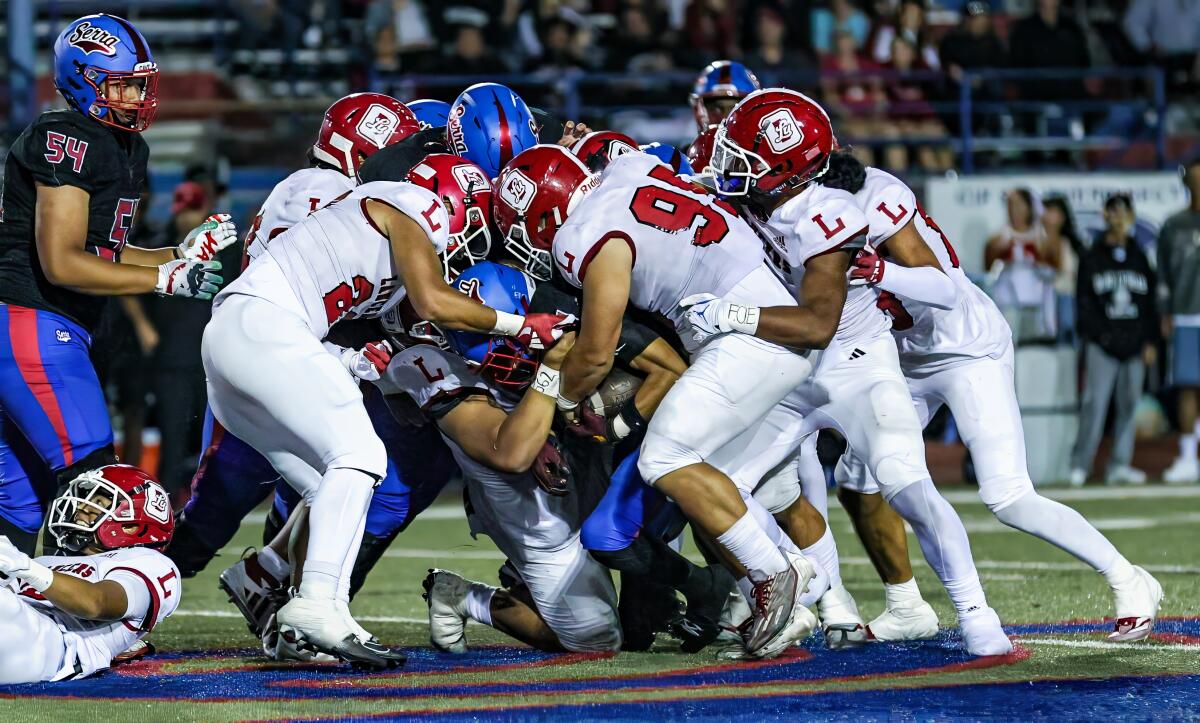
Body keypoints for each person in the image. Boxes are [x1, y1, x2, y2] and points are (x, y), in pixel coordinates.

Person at [201, 165, 571, 666]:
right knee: (361, 457)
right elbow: (435, 301)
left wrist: (357, 363)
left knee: (322, 484)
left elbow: (333, 315)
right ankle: (313, 604)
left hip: (242, 336)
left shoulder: (373, 235)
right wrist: (521, 326)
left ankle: (310, 605)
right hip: (261, 325)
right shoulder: (406, 202)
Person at [692, 88, 1010, 656]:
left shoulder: (827, 212)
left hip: (855, 363)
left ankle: (976, 612)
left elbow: (816, 322)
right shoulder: (751, 200)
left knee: (907, 487)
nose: (729, 167)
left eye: (745, 157)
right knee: (718, 488)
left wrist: (731, 314)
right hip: (789, 371)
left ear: (786, 170)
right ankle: (793, 579)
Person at [494, 144, 820, 660]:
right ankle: (783, 586)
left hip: (746, 335)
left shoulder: (582, 237)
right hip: (771, 318)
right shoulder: (629, 168)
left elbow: (597, 352)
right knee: (717, 482)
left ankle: (774, 573)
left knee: (665, 459)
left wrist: (562, 396)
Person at [822, 151, 1163, 643]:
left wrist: (880, 272)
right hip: (899, 356)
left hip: (967, 349)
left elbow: (944, 291)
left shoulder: (877, 199)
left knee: (1008, 496)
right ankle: (907, 605)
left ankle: (1127, 577)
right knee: (856, 478)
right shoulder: (808, 207)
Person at [0, 14, 236, 554]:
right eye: (122, 83)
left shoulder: (125, 147)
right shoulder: (64, 136)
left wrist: (176, 253)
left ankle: (17, 627)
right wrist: (162, 278)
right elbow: (61, 261)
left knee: (21, 504)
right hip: (28, 319)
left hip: (44, 325)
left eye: (138, 82)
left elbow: (100, 249)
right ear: (83, 81)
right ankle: (92, 628)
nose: (135, 95)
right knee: (94, 488)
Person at [167, 92, 421, 578]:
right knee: (219, 508)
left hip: (296, 352)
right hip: (276, 350)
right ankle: (130, 600)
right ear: (360, 151)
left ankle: (280, 595)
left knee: (324, 483)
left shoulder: (327, 188)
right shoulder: (320, 187)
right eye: (394, 151)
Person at [379, 264, 622, 654]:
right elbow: (511, 453)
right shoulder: (436, 369)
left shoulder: (556, 311)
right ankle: (461, 595)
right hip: (533, 523)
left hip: (582, 485)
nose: (510, 361)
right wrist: (551, 368)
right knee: (595, 640)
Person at [0, 464, 180, 684]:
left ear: (133, 524)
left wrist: (27, 568)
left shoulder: (149, 562)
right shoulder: (48, 561)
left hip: (55, 644)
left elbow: (96, 603)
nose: (80, 509)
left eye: (97, 502)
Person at [1070, 194, 1160, 487]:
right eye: (1114, 212)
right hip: (1103, 343)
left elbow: (1149, 304)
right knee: (1094, 405)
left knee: (1128, 405)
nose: (1119, 218)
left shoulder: (1139, 255)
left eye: (1124, 212)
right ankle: (1080, 465)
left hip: (1134, 344)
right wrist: (1100, 336)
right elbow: (1084, 303)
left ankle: (1119, 464)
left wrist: (1150, 341)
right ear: (1105, 215)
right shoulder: (1092, 256)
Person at [1159, 159, 1200, 484]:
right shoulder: (1173, 225)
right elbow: (1163, 275)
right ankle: (1187, 456)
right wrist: (1164, 312)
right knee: (1187, 386)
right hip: (1186, 314)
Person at [985, 188, 1058, 343]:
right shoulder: (998, 238)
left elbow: (1054, 267)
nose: (1013, 210)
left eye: (1019, 205)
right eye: (1010, 205)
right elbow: (987, 268)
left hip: (1036, 307)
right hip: (1008, 306)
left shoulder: (1043, 238)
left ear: (1029, 208)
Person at [1040, 195, 1086, 342]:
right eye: (1045, 211)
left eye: (1052, 212)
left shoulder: (1072, 244)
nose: (1047, 216)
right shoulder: (1038, 242)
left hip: (1069, 299)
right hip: (1045, 302)